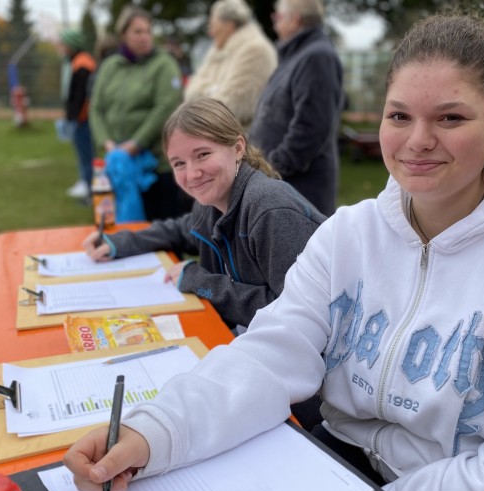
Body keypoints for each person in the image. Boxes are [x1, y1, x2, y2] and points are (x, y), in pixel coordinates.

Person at [65, 14, 484, 491]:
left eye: (451, 118)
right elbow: (268, 353)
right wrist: (151, 433)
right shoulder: (350, 235)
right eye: (400, 116)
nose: (418, 141)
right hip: (346, 470)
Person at [82, 98, 325, 332]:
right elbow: (180, 230)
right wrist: (118, 242)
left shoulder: (271, 211)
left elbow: (296, 313)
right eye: (179, 164)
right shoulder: (212, 202)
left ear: (238, 148)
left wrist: (202, 283)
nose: (192, 174)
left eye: (203, 155)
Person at [89, 6, 191, 221]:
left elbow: (165, 108)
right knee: (117, 227)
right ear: (124, 34)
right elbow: (96, 108)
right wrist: (106, 142)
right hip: (117, 162)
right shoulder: (110, 66)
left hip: (156, 165)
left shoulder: (164, 64)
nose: (145, 37)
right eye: (138, 31)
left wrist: (136, 144)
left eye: (148, 31)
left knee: (161, 232)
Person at [248, 0, 343, 216]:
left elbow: (312, 127)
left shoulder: (317, 56)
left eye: (278, 16)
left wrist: (271, 167)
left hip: (300, 190)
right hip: (283, 186)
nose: (273, 21)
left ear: (295, 19)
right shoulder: (297, 55)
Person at [184, 0, 277, 131]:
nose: (210, 31)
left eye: (213, 23)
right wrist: (213, 91)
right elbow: (191, 92)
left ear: (229, 25)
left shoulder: (256, 50)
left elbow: (234, 105)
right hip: (219, 136)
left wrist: (205, 92)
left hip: (245, 141)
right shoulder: (217, 50)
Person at [58, 29, 96, 202]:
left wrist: (77, 118)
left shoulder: (83, 64)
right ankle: (85, 183)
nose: (62, 48)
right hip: (80, 119)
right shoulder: (77, 62)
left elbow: (81, 96)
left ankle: (89, 190)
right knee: (83, 155)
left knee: (86, 155)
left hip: (83, 119)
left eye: (64, 44)